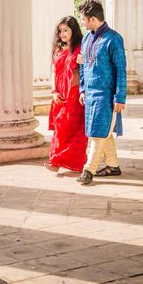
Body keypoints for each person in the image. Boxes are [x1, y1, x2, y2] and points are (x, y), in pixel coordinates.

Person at [76, 0, 127, 185]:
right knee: (101, 130)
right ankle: (113, 166)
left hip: (107, 95)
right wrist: (82, 89)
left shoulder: (114, 38)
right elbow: (82, 65)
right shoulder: (87, 38)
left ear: (92, 19)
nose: (81, 21)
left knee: (97, 133)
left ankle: (88, 170)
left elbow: (121, 69)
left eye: (83, 18)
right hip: (90, 94)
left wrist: (120, 96)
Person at [46, 16, 88, 173]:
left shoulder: (81, 48)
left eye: (66, 30)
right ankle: (56, 159)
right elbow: (53, 71)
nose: (62, 34)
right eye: (60, 30)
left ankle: (58, 161)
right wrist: (54, 91)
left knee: (71, 128)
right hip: (59, 95)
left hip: (74, 94)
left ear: (73, 31)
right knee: (60, 127)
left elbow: (84, 72)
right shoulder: (58, 49)